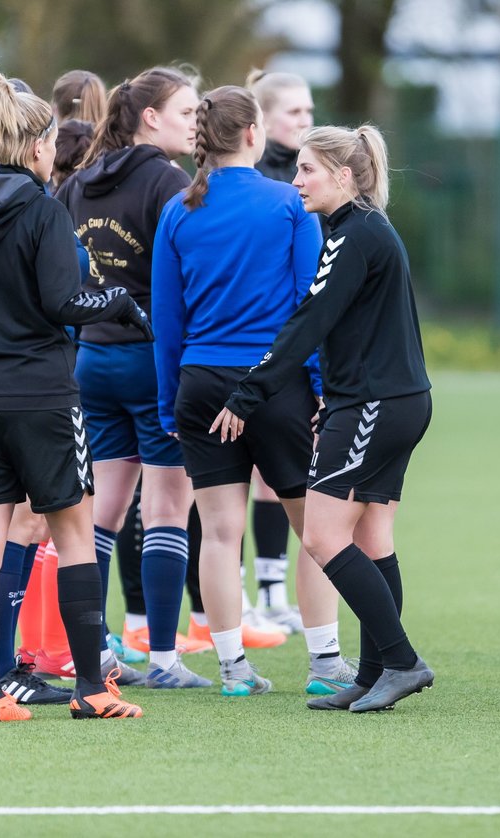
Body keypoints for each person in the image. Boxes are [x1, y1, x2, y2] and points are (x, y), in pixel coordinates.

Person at [0, 66, 150, 722]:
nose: (55, 153)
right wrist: (120, 299)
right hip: (42, 395)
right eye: (50, 144)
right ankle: (91, 688)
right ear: (34, 148)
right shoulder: (45, 212)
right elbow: (64, 301)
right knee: (75, 532)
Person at [211, 124, 434, 713]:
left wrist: (246, 395)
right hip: (388, 402)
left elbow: (307, 322)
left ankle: (403, 662)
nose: (296, 179)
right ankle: (375, 673)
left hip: (375, 406)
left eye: (308, 170)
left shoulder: (353, 236)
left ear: (344, 176)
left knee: (320, 537)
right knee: (371, 538)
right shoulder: (359, 230)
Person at [152, 85, 355, 697]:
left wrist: (169, 401)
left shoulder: (178, 210)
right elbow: (309, 309)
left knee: (218, 532)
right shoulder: (287, 203)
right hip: (275, 384)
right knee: (315, 529)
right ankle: (324, 665)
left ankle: (233, 669)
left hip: (200, 382)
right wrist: (319, 391)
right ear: (250, 135)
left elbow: (168, 322)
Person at [55, 66, 214, 689]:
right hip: (152, 362)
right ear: (151, 117)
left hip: (94, 361)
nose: (196, 122)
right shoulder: (172, 182)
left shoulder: (81, 181)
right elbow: (186, 279)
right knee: (169, 509)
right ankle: (166, 661)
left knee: (102, 514)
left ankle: (90, 653)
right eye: (185, 112)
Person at [240, 68, 319, 633]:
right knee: (228, 483)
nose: (306, 122)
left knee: (278, 479)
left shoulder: (305, 177)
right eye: (295, 112)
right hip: (253, 354)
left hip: (284, 355)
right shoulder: (267, 186)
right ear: (260, 122)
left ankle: (271, 590)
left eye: (310, 112)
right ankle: (239, 596)